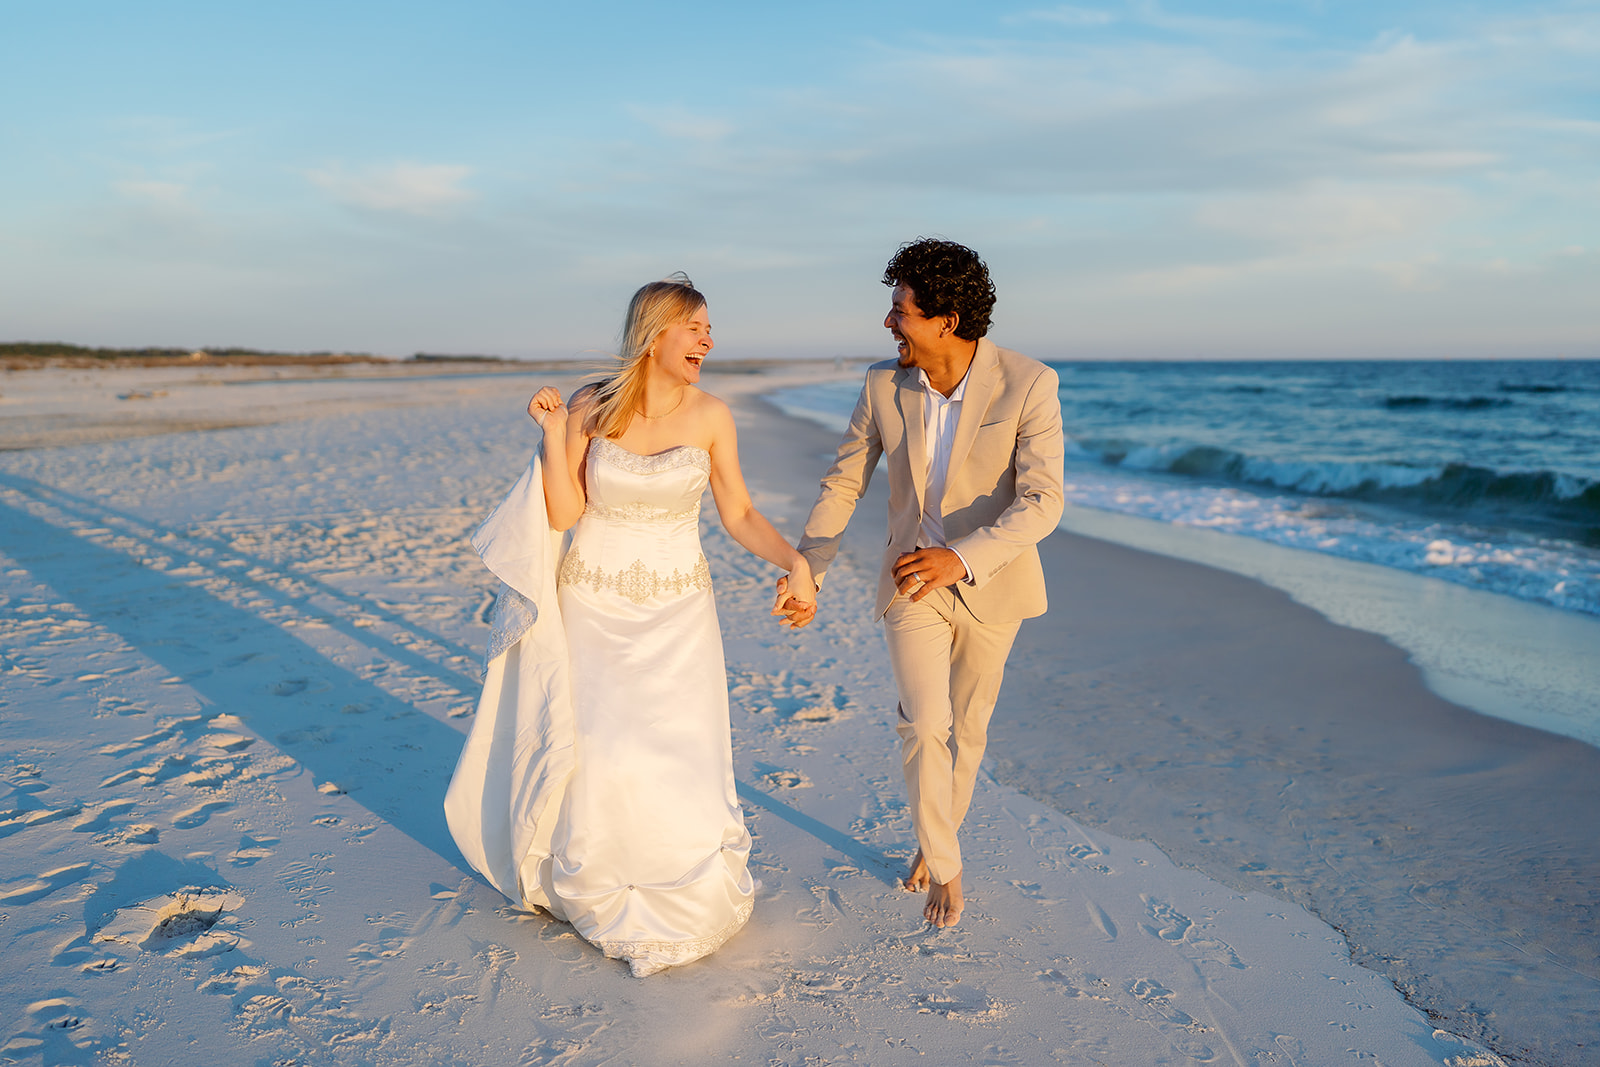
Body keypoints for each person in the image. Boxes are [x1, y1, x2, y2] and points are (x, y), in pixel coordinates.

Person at [444, 275, 816, 976]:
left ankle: (680, 876)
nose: (709, 339)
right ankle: (602, 870)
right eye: (696, 327)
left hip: (679, 610)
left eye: (709, 328)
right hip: (595, 602)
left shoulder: (712, 415)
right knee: (604, 745)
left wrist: (794, 558)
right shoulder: (592, 405)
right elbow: (561, 513)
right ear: (655, 334)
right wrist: (557, 435)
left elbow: (737, 513)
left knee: (677, 743)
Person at [779, 239, 1065, 928]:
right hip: (910, 580)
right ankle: (947, 860)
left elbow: (1043, 501)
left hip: (991, 582)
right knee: (924, 724)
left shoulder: (1030, 383)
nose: (888, 324)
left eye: (900, 311)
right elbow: (844, 481)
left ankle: (930, 837)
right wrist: (807, 568)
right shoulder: (883, 385)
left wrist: (961, 557)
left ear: (948, 319)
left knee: (967, 732)